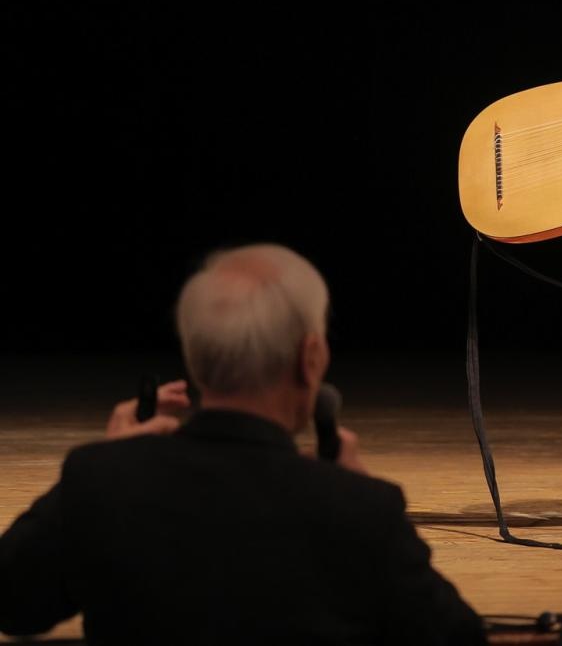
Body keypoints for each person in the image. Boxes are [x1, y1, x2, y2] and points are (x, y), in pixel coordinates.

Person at [0, 244, 485, 644]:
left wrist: (109, 469)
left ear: (194, 356)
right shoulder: (360, 509)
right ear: (311, 358)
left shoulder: (100, 482)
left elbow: (13, 604)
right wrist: (363, 501)